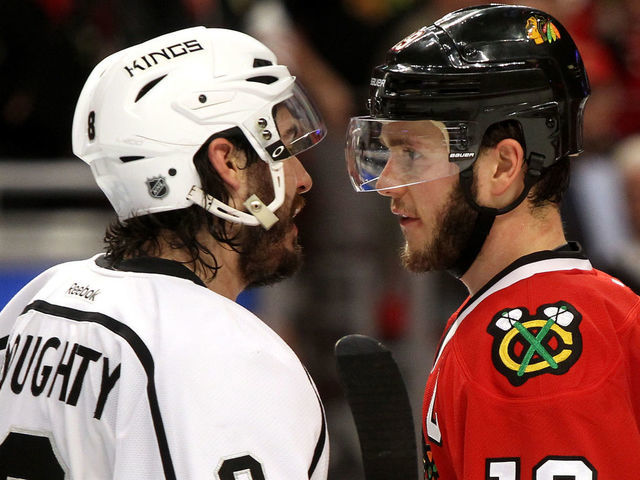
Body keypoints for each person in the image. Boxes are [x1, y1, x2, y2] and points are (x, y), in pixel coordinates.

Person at [0, 26, 329, 479]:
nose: (302, 177)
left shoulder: (33, 305)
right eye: (284, 146)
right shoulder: (232, 357)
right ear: (227, 162)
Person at [346, 4, 640, 479]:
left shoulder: (525, 356)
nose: (388, 184)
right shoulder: (597, 309)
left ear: (502, 166)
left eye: (412, 153)